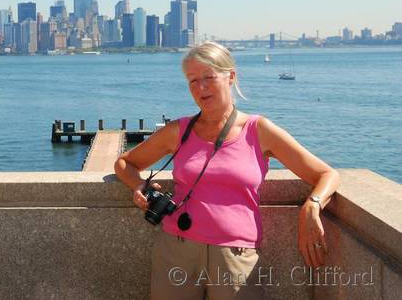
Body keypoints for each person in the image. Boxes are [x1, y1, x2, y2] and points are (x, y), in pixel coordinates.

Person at [114, 41, 340, 300]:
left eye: (208, 77)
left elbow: (327, 175)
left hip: (236, 259)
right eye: (192, 80)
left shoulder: (259, 130)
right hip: (175, 251)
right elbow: (124, 163)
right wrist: (138, 185)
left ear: (230, 76)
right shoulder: (179, 130)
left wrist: (311, 206)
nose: (200, 88)